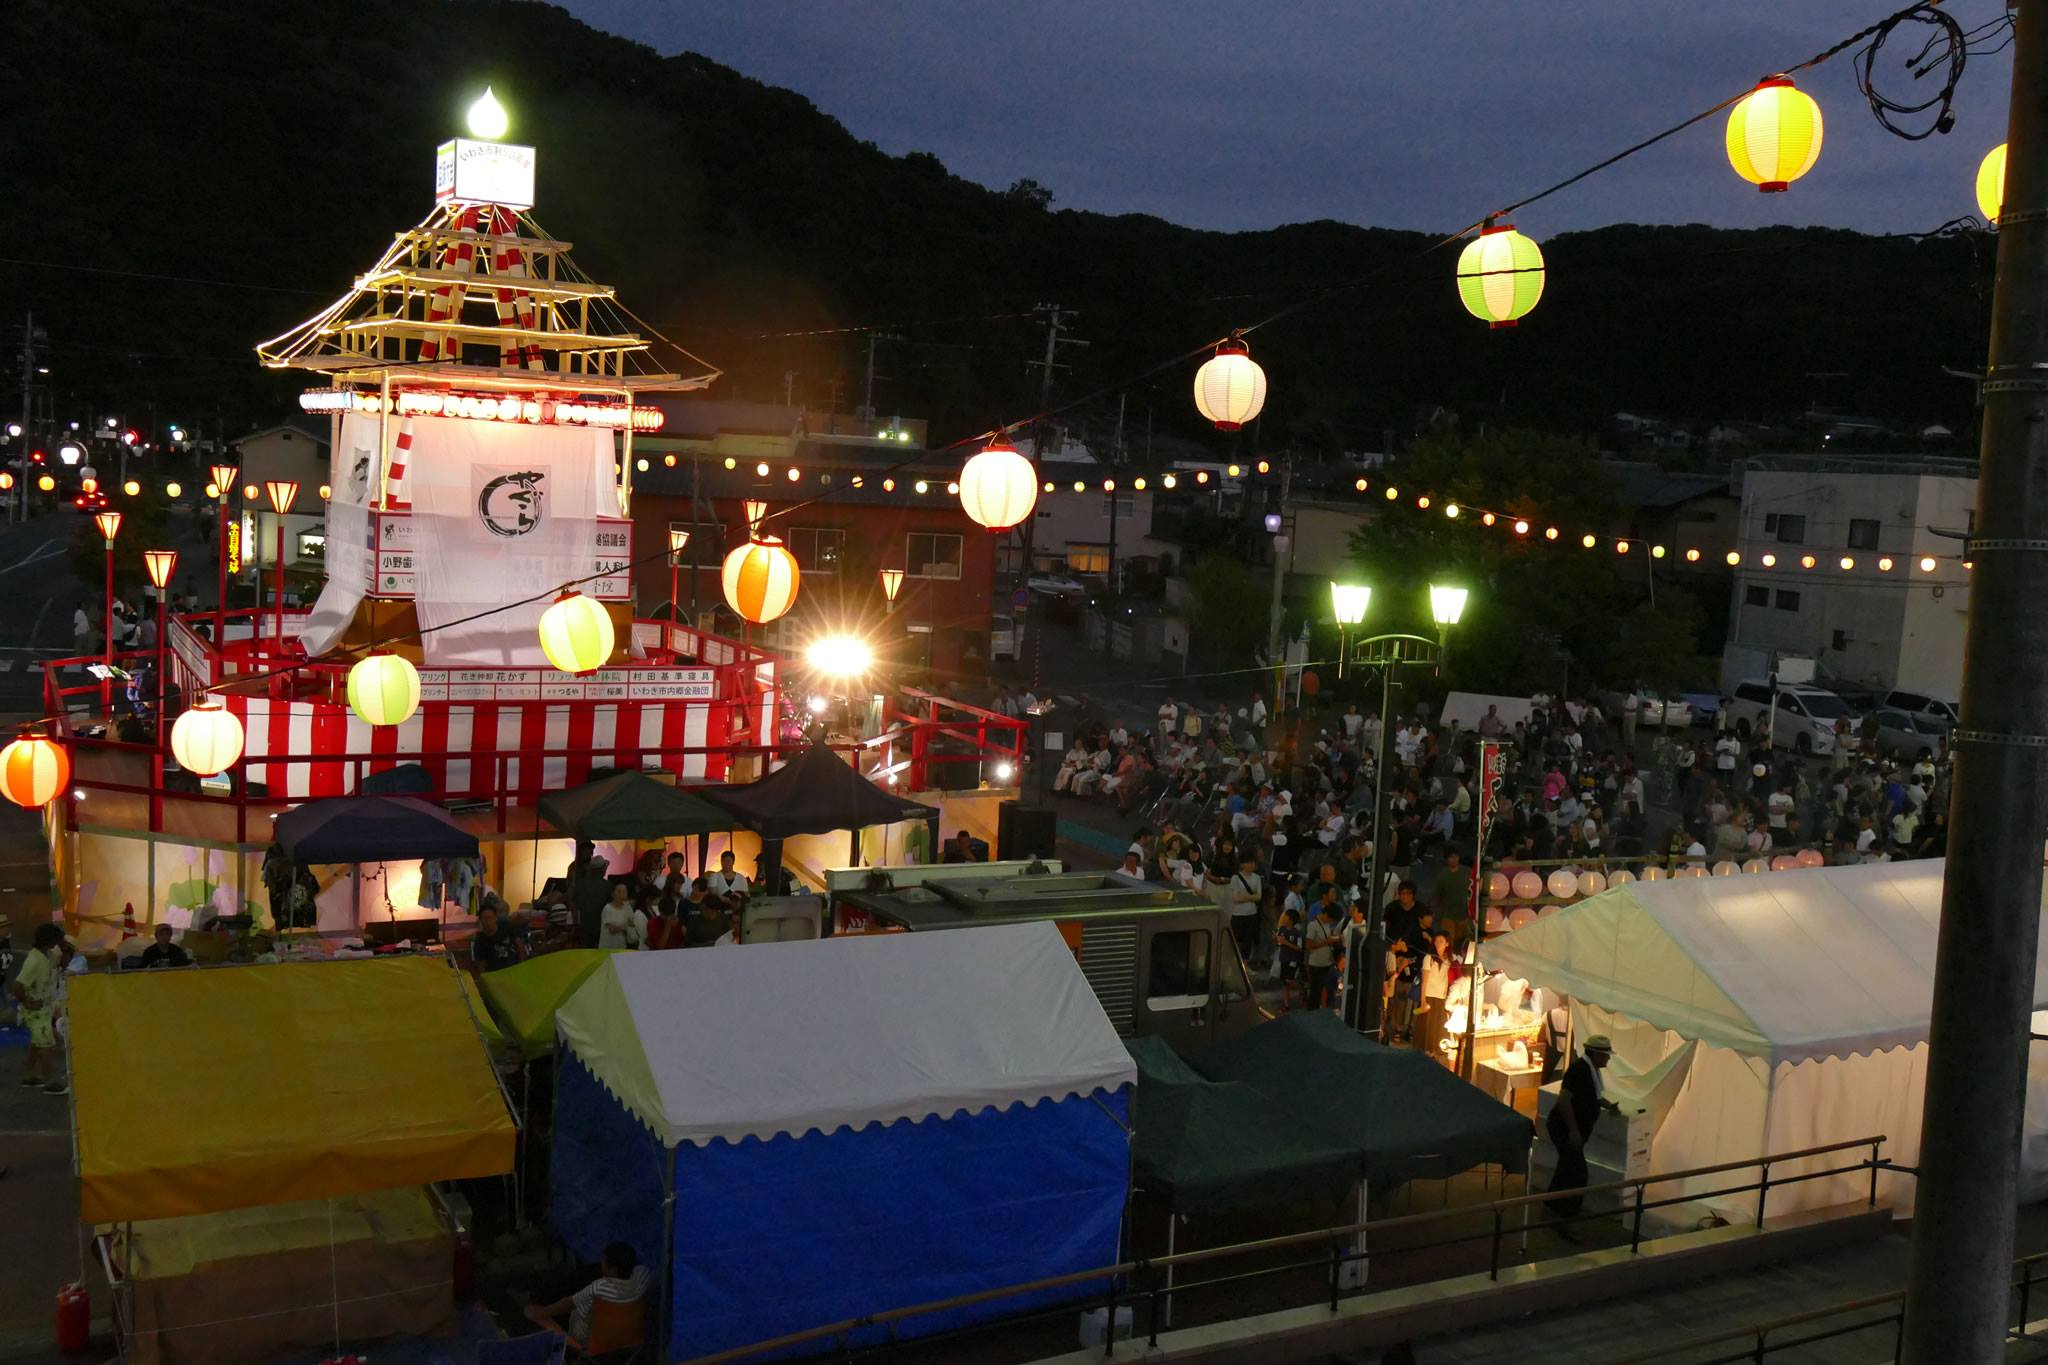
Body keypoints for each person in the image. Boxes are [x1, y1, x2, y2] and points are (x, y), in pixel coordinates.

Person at [524, 1241, 651, 1346]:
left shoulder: (600, 1288)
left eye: (604, 1261)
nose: (602, 1263)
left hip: (586, 1338)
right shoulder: (643, 1275)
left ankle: (535, 1298)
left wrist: (541, 1312)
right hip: (624, 1335)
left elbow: (567, 1304)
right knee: (583, 1276)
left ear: (613, 1269)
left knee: (559, 1296)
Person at [1546, 1034, 1615, 1225]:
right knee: (1578, 1174)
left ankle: (1551, 1206)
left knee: (1565, 1168)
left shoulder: (1590, 1070)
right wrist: (1573, 1130)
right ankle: (1567, 1216)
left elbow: (1593, 1096)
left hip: (1571, 1129)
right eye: (1606, 1055)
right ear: (1597, 1055)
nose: (1608, 1058)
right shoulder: (1579, 1070)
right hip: (1565, 1129)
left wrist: (1608, 1106)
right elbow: (1564, 1099)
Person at [9, 924, 68, 1094]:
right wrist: (27, 1002)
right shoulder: (34, 960)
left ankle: (29, 1076)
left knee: (38, 1043)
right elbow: (17, 986)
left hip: (43, 1008)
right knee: (46, 1045)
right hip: (35, 1012)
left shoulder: (48, 955)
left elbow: (64, 962)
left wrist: (65, 946)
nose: (59, 942)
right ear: (49, 940)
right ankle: (50, 1081)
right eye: (57, 939)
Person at [1304, 892, 1343, 1010]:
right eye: (1330, 919)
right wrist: (1327, 942)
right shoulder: (1313, 925)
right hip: (1316, 964)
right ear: (1326, 914)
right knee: (1315, 992)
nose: (1330, 922)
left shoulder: (1326, 924)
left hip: (1327, 963)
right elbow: (1309, 945)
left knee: (1328, 990)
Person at [596, 884, 647, 950]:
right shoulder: (608, 909)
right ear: (613, 894)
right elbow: (612, 929)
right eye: (619, 891)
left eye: (624, 891)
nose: (622, 893)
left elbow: (632, 923)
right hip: (607, 947)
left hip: (622, 946)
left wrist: (628, 925)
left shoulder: (628, 907)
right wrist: (626, 925)